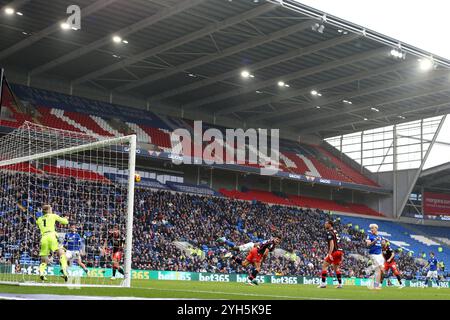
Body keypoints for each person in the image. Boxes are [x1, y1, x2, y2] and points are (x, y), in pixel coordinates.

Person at [35, 204, 69, 282]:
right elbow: (65, 222)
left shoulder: (39, 219)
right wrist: (66, 218)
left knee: (44, 260)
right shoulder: (53, 216)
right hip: (52, 236)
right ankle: (64, 270)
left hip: (43, 238)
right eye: (50, 209)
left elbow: (38, 223)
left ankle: (42, 273)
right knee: (61, 253)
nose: (51, 210)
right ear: (48, 210)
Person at [318, 220, 344, 289]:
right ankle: (340, 284)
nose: (325, 224)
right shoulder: (334, 232)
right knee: (336, 269)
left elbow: (331, 243)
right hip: (339, 252)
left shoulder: (329, 233)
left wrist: (329, 254)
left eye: (326, 223)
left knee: (324, 266)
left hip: (334, 252)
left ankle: (323, 284)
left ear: (330, 225)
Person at [365, 224, 384, 290]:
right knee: (379, 268)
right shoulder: (369, 236)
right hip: (373, 254)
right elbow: (368, 246)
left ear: (376, 229)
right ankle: (374, 283)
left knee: (379, 270)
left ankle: (376, 285)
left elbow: (382, 246)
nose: (371, 229)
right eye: (371, 228)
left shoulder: (380, 237)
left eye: (373, 228)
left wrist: (383, 244)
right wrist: (375, 240)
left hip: (379, 255)